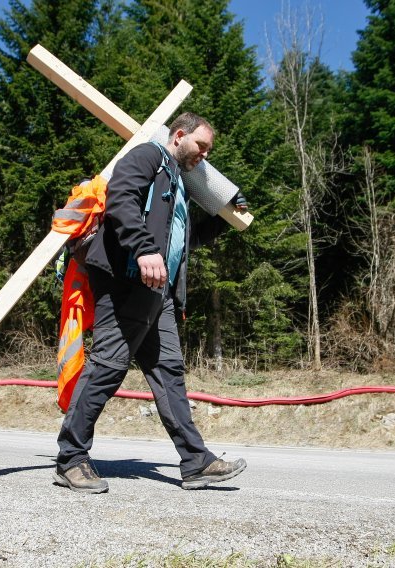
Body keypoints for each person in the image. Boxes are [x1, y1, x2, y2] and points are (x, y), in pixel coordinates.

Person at [53, 112, 248, 494]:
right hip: (125, 281)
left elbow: (186, 241)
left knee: (169, 373)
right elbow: (120, 199)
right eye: (201, 146)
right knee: (108, 367)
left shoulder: (178, 185)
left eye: (209, 151)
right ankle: (71, 459)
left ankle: (196, 462)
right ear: (179, 135)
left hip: (160, 295)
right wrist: (143, 249)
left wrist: (226, 213)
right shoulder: (147, 157)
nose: (204, 157)